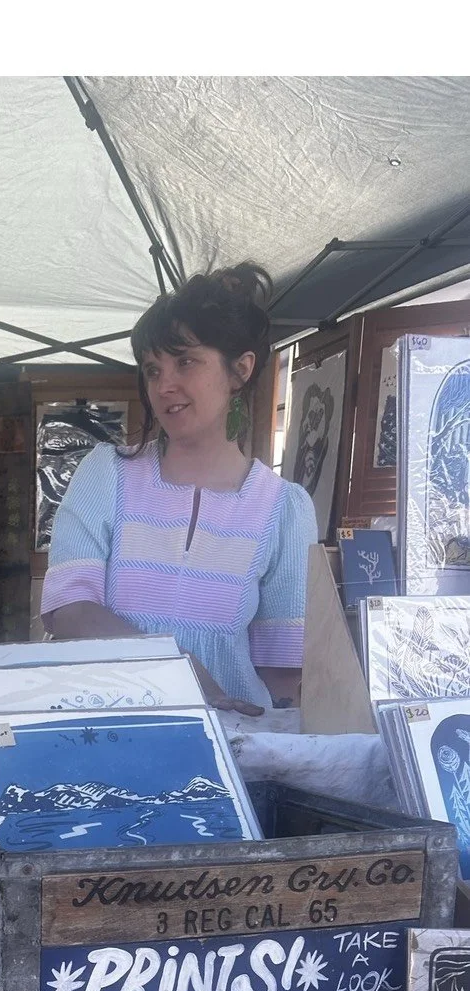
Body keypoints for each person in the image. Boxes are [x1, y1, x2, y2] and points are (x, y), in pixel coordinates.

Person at [42, 265, 316, 713]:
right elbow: (68, 608)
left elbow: (283, 669)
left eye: (185, 361)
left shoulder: (284, 508)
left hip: (233, 751)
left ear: (240, 370)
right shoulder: (106, 474)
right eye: (152, 369)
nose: (164, 384)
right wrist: (177, 666)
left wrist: (293, 751)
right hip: (106, 733)